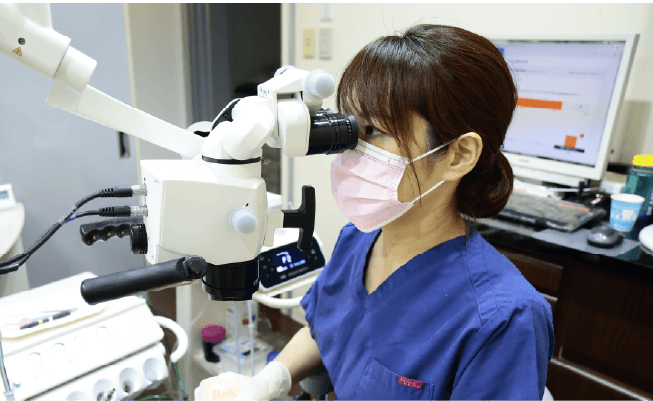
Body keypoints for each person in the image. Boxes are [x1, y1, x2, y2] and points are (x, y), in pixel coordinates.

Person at [194, 24, 554, 400]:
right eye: (350, 125)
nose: (352, 148)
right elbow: (325, 329)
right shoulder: (357, 240)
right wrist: (270, 380)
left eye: (375, 130)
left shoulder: (504, 319)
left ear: (458, 155)